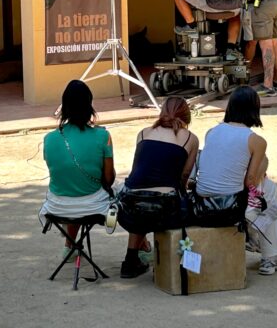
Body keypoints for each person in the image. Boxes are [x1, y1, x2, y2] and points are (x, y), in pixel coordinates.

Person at [194, 86, 277, 276]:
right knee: (269, 190)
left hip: (203, 204)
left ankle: (265, 250)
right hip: (228, 207)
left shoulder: (212, 132)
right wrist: (264, 167)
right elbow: (251, 182)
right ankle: (268, 257)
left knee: (268, 188)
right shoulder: (256, 140)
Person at [116, 97, 199, 279]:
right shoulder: (190, 138)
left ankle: (130, 261)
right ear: (187, 115)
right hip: (164, 208)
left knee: (140, 198)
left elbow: (138, 169)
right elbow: (185, 175)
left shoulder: (144, 133)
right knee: (174, 202)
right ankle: (172, 260)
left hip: (129, 206)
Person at [39, 81, 116, 260]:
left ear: (64, 106)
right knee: (124, 192)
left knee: (73, 187)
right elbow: (109, 179)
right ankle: (142, 249)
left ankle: (70, 246)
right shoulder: (103, 135)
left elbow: (60, 173)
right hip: (92, 206)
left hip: (57, 206)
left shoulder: (49, 138)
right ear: (89, 105)